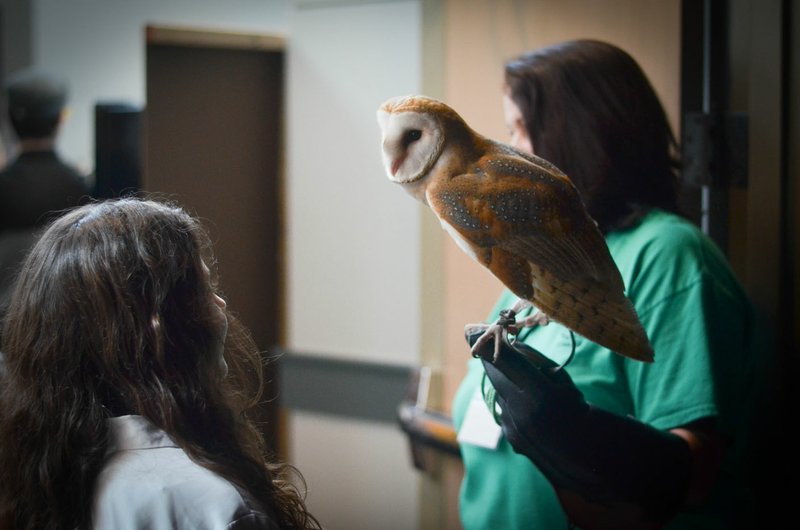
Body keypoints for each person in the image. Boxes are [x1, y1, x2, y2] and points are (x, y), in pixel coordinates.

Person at [452, 39, 757, 529]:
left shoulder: (668, 255)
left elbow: (694, 472)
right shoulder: (542, 257)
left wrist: (580, 439)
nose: (504, 153)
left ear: (579, 134)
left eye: (519, 130)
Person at [0, 198, 321, 529]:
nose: (221, 303)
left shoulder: (39, 478)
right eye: (205, 289)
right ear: (158, 328)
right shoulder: (210, 506)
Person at [0, 68, 91, 333]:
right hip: (64, 330)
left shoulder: (4, 189)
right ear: (60, 120)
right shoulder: (81, 188)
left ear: (10, 121)